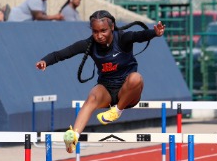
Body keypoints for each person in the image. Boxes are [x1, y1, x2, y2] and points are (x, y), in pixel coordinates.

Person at [35, 10, 165, 153]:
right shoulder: (89, 44)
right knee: (92, 96)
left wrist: (154, 33)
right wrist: (45, 61)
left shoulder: (122, 38)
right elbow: (62, 54)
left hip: (127, 92)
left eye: (103, 31)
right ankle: (73, 138)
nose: (99, 36)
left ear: (112, 27)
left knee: (136, 78)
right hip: (107, 89)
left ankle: (117, 111)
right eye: (95, 32)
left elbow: (138, 36)